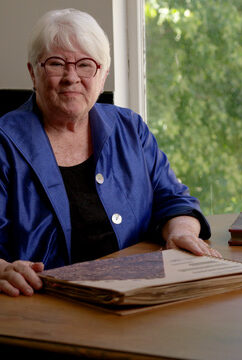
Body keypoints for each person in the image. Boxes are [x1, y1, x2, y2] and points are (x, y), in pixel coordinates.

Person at [0, 8, 220, 297]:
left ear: (102, 75)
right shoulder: (4, 141)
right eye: (56, 64)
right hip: (42, 304)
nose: (71, 77)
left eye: (86, 65)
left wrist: (182, 232)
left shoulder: (130, 128)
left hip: (136, 293)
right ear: (33, 72)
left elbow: (173, 199)